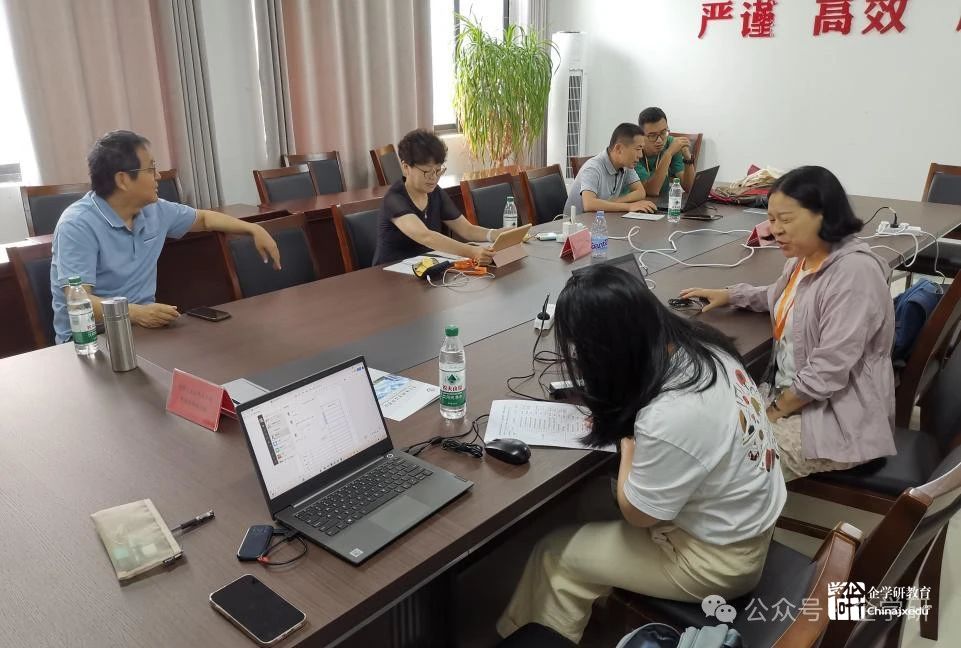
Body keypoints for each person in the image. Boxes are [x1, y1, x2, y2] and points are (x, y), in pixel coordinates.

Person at [497, 265, 786, 645]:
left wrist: (628, 440)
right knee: (591, 501)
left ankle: (527, 638)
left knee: (554, 555)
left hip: (716, 562)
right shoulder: (706, 349)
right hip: (745, 523)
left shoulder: (670, 414)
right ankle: (594, 608)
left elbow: (638, 514)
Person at [681, 166, 896, 481]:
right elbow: (785, 296)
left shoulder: (854, 274)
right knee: (700, 433)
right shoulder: (805, 258)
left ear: (824, 215)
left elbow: (827, 372)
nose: (775, 230)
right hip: (793, 397)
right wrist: (731, 295)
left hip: (837, 419)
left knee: (724, 466)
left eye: (786, 219)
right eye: (771, 219)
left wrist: (770, 414)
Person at [50, 130, 281, 343]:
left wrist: (254, 229)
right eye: (151, 169)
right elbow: (78, 301)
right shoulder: (77, 224)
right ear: (122, 180)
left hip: (143, 330)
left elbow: (204, 219)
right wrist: (137, 313)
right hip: (90, 340)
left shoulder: (155, 210)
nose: (158, 176)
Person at [371, 129, 513, 266]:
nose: (434, 177)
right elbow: (426, 236)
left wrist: (495, 234)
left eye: (438, 170)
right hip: (389, 273)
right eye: (427, 172)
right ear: (406, 167)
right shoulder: (394, 199)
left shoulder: (435, 192)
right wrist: (472, 252)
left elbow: (466, 229)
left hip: (424, 268)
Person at [563, 123, 657, 215]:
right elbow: (589, 204)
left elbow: (640, 192)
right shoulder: (592, 168)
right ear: (619, 148)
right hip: (577, 222)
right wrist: (629, 206)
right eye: (638, 149)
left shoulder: (626, 165)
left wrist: (615, 202)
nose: (640, 155)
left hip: (601, 218)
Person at [636, 107, 695, 196]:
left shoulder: (670, 143)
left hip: (664, 201)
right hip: (640, 202)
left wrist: (688, 158)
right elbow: (651, 191)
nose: (659, 140)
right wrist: (668, 154)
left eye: (663, 132)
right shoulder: (635, 151)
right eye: (652, 135)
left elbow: (689, 188)